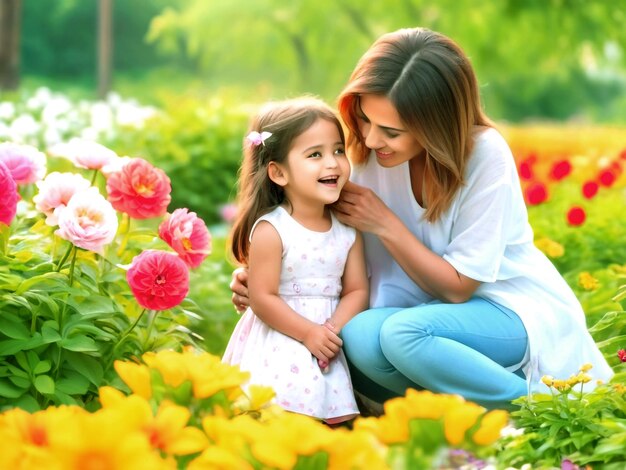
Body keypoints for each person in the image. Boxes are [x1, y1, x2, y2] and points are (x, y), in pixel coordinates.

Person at [230, 28, 613, 410]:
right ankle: (469, 415)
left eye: (391, 131)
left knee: (402, 333)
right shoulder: (363, 157)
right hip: (418, 322)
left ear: (436, 126)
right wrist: (263, 277)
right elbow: (312, 234)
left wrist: (385, 224)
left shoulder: (483, 155)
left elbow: (459, 288)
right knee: (359, 336)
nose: (371, 138)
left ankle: (547, 411)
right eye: (364, 119)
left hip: (506, 311)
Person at [223, 96, 369, 424]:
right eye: (315, 155)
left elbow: (357, 290)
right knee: (276, 417)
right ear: (278, 172)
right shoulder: (273, 230)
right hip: (281, 337)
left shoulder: (347, 229)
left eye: (337, 150)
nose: (332, 163)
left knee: (325, 423)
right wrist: (307, 333)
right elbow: (262, 297)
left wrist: (330, 330)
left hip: (327, 337)